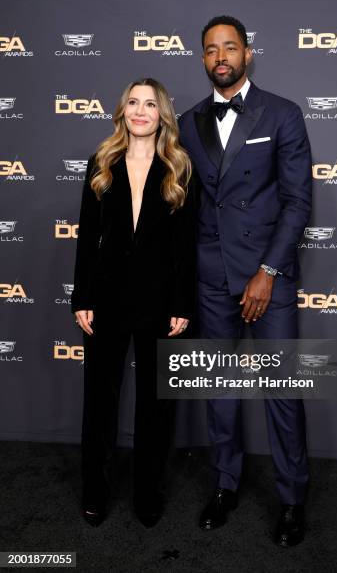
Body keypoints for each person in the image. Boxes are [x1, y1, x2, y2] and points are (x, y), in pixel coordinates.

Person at [178, 16, 312, 547]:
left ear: (248, 54)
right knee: (221, 390)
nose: (221, 57)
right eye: (211, 50)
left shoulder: (283, 114)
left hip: (268, 279)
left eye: (230, 47)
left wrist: (268, 272)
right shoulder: (186, 122)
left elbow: (298, 201)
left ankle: (292, 498)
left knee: (281, 393)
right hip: (212, 278)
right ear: (204, 59)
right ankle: (225, 485)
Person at [71, 78, 196, 528]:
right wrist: (81, 296)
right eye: (132, 103)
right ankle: (95, 492)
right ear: (122, 111)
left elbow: (186, 247)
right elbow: (87, 239)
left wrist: (183, 302)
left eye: (149, 104)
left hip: (161, 302)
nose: (140, 111)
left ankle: (148, 492)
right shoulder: (101, 164)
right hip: (106, 299)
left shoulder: (180, 168)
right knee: (100, 403)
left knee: (155, 407)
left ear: (162, 113)